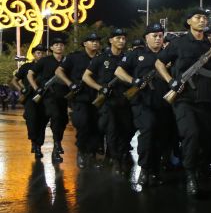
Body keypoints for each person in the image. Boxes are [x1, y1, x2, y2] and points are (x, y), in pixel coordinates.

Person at [156, 9, 211, 197]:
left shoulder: (210, 44)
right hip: (184, 99)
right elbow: (159, 63)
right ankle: (190, 174)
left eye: (204, 18)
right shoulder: (179, 43)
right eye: (198, 17)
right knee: (191, 134)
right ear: (189, 21)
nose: (202, 20)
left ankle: (201, 167)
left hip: (206, 99)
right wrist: (171, 81)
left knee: (206, 137)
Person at [115, 23, 174, 192]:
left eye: (160, 35)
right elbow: (119, 72)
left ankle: (155, 170)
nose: (158, 38)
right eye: (154, 35)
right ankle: (145, 169)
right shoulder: (136, 54)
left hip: (163, 103)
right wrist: (133, 81)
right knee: (148, 131)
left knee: (161, 137)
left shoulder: (168, 55)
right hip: (142, 102)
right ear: (146, 38)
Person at [83, 28, 134, 176]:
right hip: (107, 100)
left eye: (123, 38)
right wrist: (99, 88)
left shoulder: (127, 57)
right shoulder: (101, 58)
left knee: (127, 129)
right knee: (111, 130)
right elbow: (86, 76)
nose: (121, 41)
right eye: (118, 38)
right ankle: (116, 161)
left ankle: (120, 154)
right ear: (111, 40)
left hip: (125, 99)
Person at [55, 32, 102, 168]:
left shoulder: (102, 58)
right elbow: (58, 71)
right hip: (80, 97)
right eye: (91, 40)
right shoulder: (74, 57)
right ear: (84, 44)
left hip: (97, 97)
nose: (95, 43)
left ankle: (92, 154)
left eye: (97, 41)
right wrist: (70, 83)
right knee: (83, 124)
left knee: (96, 126)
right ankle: (81, 151)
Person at [28, 35, 68, 163]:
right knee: (51, 118)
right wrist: (36, 88)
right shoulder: (45, 61)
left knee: (61, 122)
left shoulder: (67, 60)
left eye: (61, 44)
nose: (59, 46)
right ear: (51, 47)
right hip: (47, 96)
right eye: (56, 45)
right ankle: (40, 146)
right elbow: (30, 74)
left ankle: (56, 147)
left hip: (63, 96)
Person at [14, 45, 47, 155]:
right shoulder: (26, 66)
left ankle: (38, 145)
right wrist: (21, 89)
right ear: (33, 54)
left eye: (43, 53)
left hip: (44, 97)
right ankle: (34, 142)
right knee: (32, 120)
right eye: (38, 53)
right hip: (30, 97)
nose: (41, 55)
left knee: (42, 121)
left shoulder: (47, 67)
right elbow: (14, 80)